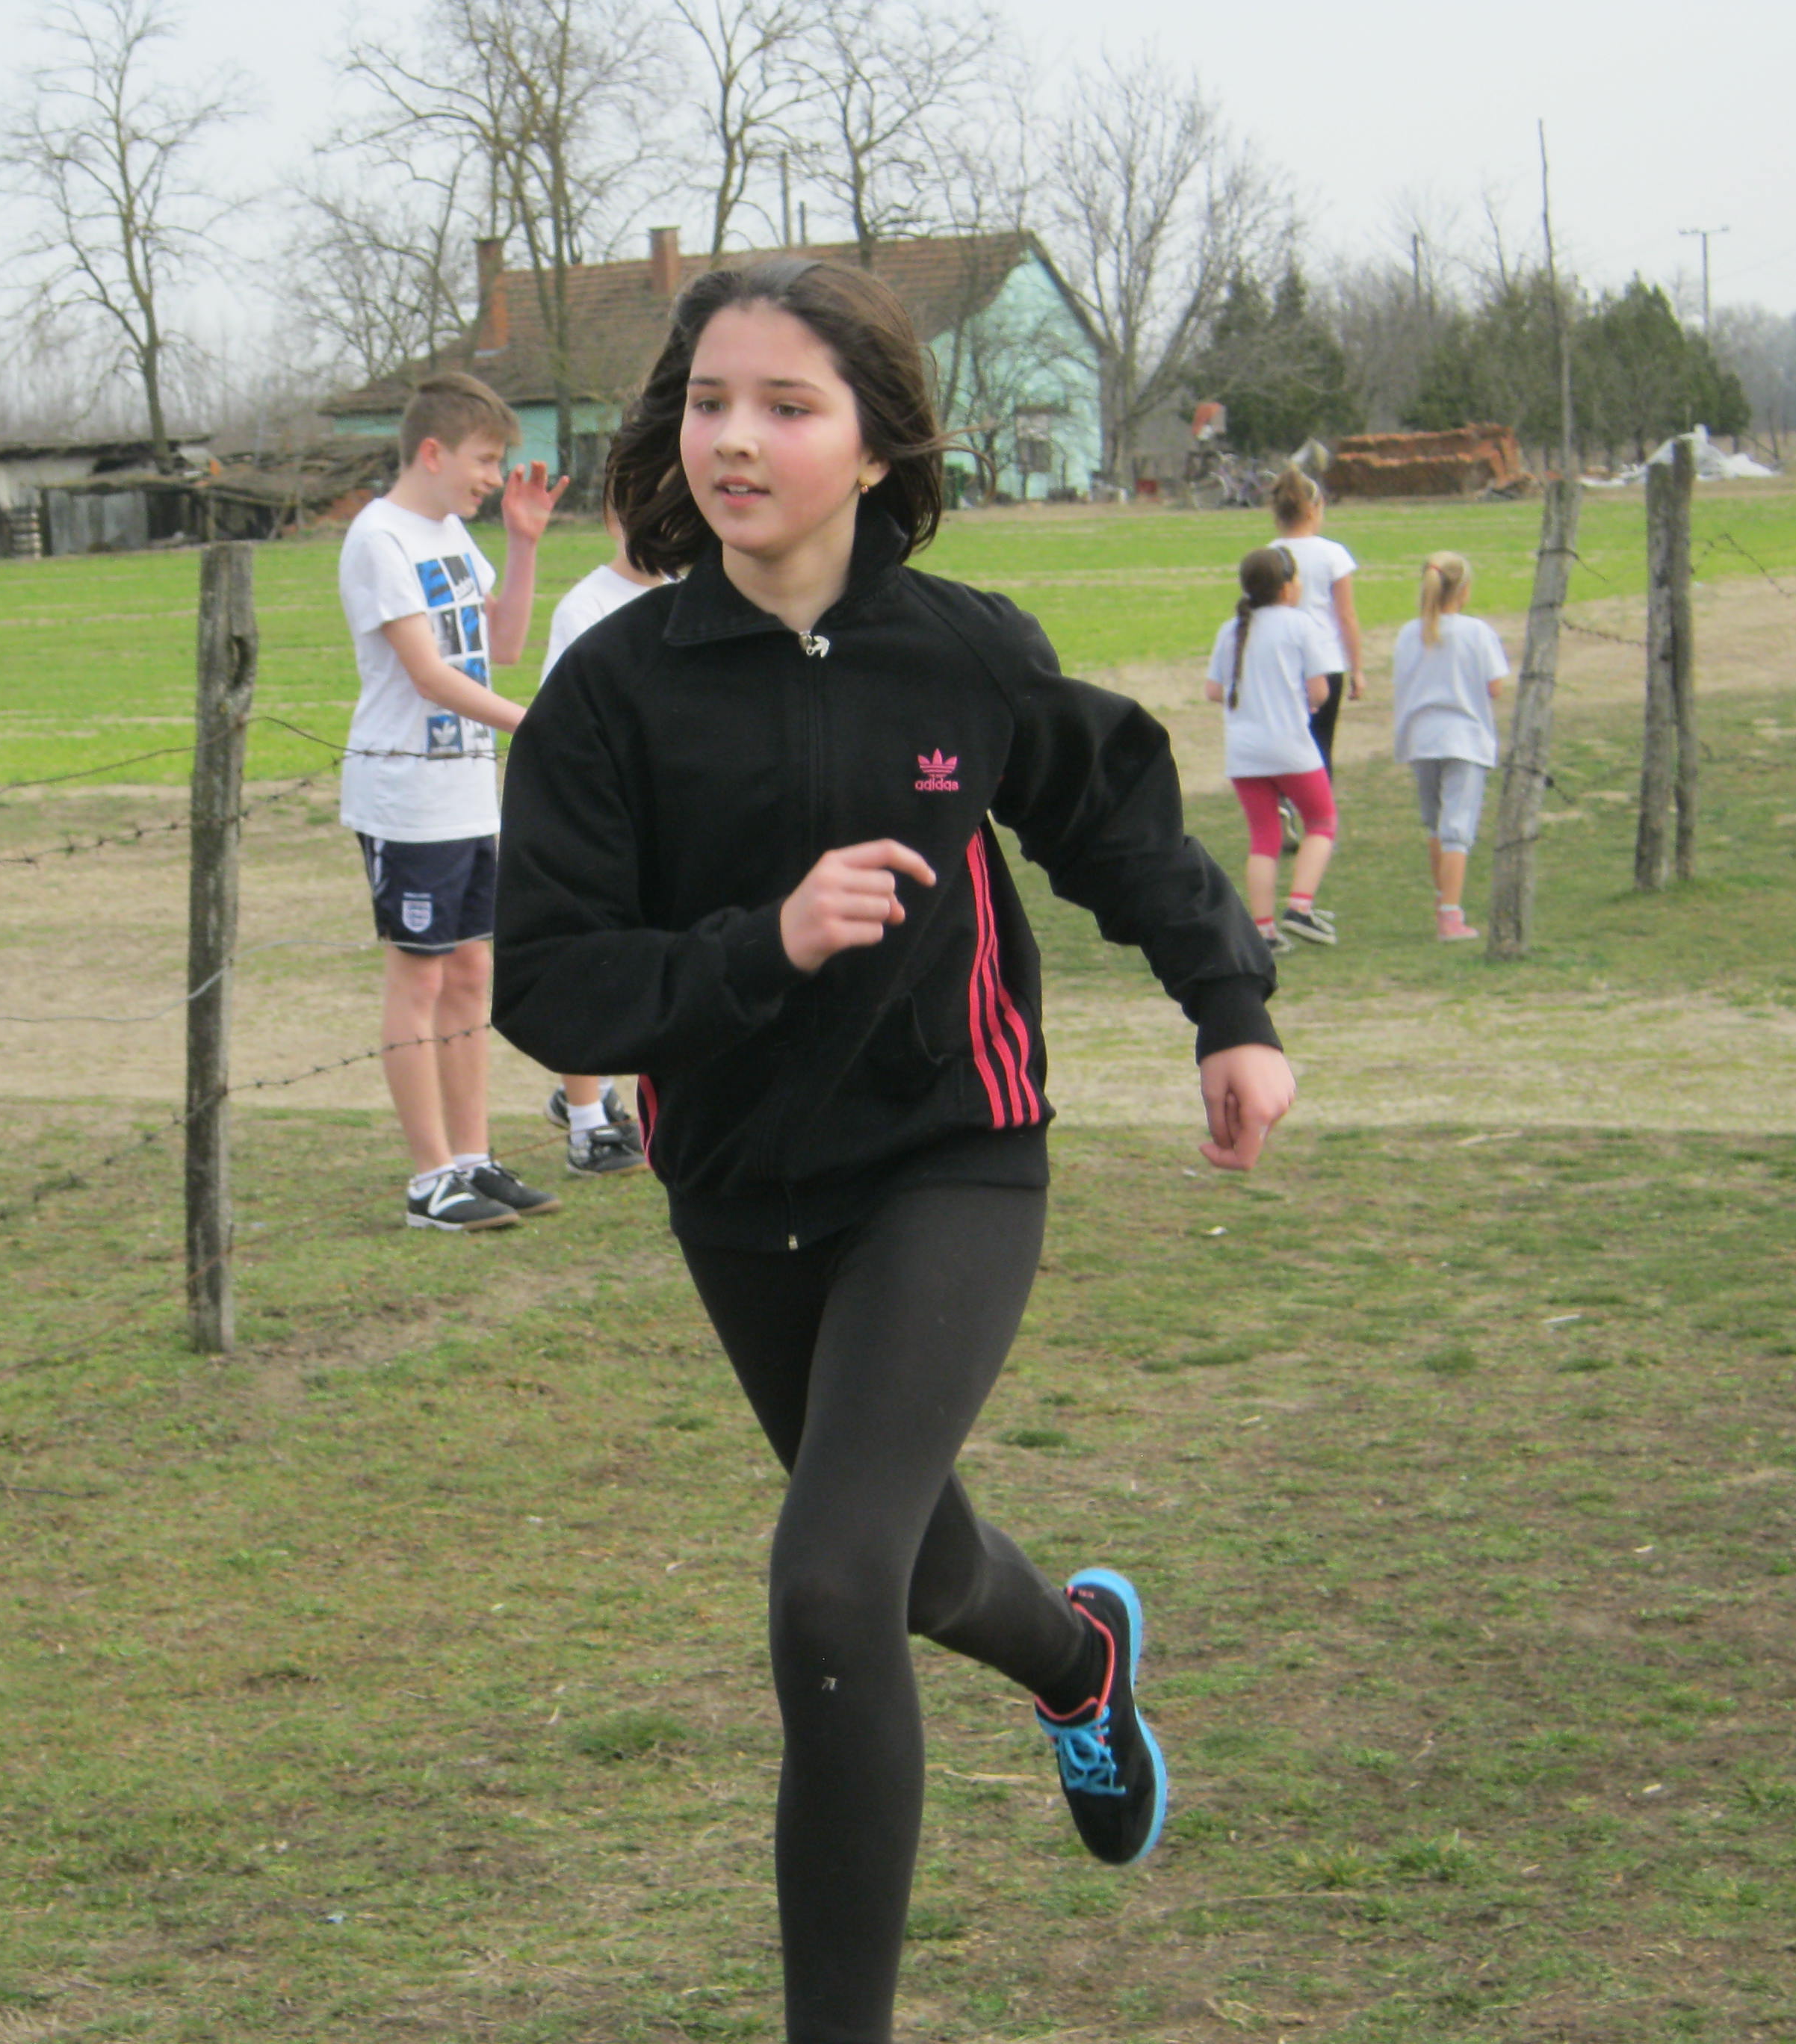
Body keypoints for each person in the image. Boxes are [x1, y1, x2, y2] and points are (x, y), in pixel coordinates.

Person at [492, 260, 1295, 2044]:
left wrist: (1229, 1009)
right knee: (910, 1564)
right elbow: (547, 982)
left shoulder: (963, 650)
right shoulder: (612, 691)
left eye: (787, 405)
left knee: (831, 1580)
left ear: (873, 445)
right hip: (736, 1191)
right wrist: (760, 946)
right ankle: (1080, 1657)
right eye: (711, 401)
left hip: (953, 1152)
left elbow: (1121, 832)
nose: (736, 438)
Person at [335, 369, 569, 1230]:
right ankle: (430, 1179)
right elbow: (429, 676)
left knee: (472, 972)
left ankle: (473, 1159)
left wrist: (523, 543)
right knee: (420, 976)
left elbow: (500, 647)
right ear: (432, 452)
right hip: (407, 796)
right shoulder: (379, 538)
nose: (492, 478)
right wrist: (538, 727)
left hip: (470, 794)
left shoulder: (451, 535)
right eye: (484, 461)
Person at [530, 502, 664, 1179]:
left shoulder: (694, 596)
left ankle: (610, 1096)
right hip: (607, 818)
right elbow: (563, 729)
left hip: (669, 817)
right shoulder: (585, 609)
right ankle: (588, 1126)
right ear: (615, 516)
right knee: (589, 962)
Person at [1207, 545, 1344, 952]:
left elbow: (1213, 690)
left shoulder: (1231, 629)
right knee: (1322, 822)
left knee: (1264, 837)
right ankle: (1300, 907)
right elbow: (1320, 691)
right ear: (1287, 588)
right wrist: (1302, 700)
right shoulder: (1301, 625)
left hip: (1244, 753)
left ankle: (1264, 929)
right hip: (1291, 748)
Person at [1389, 551, 1508, 941]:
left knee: (1435, 825)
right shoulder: (1477, 633)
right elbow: (1495, 686)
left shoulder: (1409, 634)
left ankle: (1445, 899)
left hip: (1421, 737)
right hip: (1464, 738)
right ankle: (1450, 915)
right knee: (1457, 829)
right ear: (1464, 590)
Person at [1271, 467, 1364, 780]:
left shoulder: (1270, 555)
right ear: (1314, 509)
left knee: (1286, 745)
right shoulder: (1333, 554)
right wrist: (1357, 669)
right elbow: (1346, 616)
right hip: (1325, 661)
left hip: (1282, 661)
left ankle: (1286, 801)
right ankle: (1319, 806)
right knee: (1321, 745)